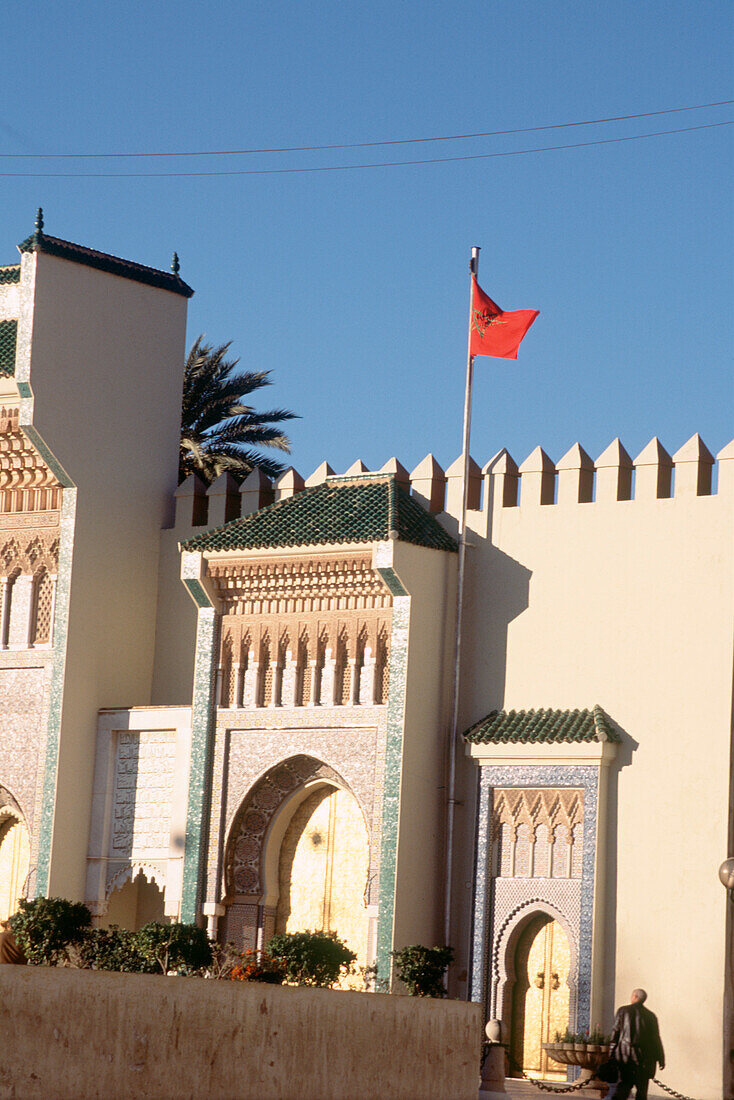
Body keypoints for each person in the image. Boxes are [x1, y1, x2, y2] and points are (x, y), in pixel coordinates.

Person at [607, 988, 665, 1100]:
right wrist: (661, 1058)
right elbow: (656, 1039)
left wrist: (611, 1054)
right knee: (642, 1092)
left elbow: (615, 1033)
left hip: (626, 1057)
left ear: (634, 996)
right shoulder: (651, 1016)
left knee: (623, 1088)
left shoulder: (623, 1011)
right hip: (645, 1060)